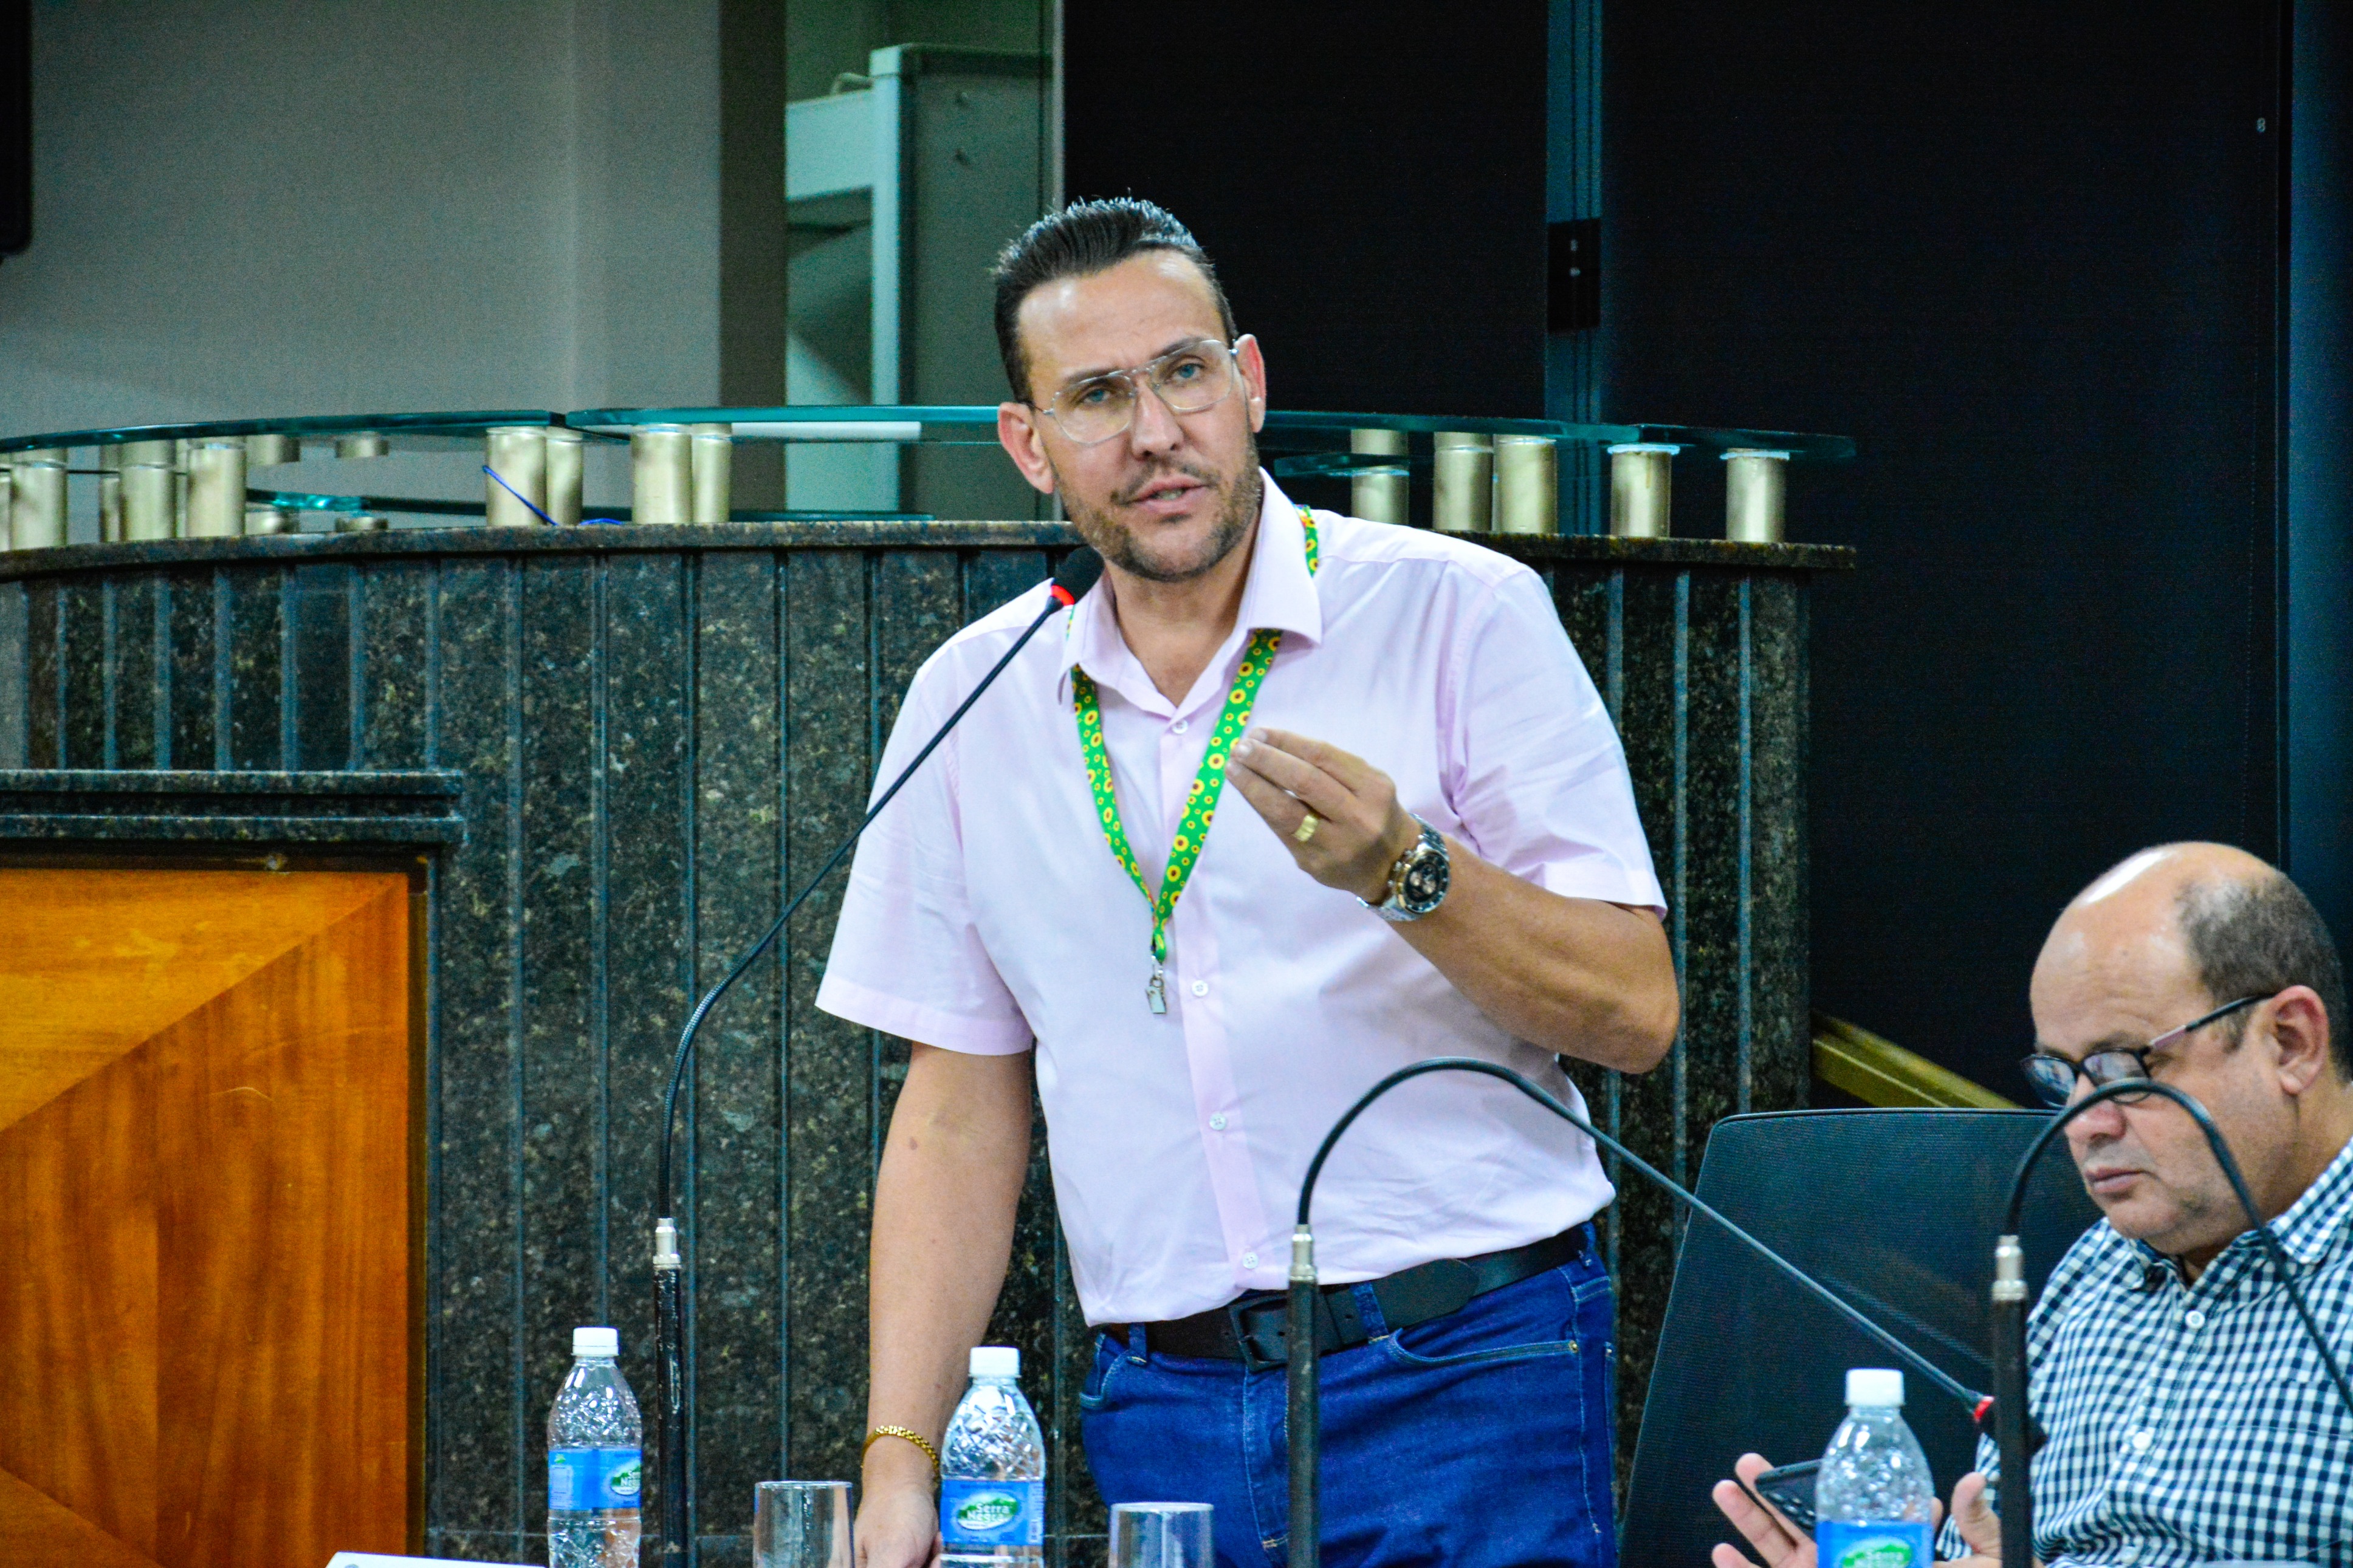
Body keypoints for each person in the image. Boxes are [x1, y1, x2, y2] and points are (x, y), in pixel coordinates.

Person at [818, 197, 1680, 1568]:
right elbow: (956, 1109)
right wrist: (898, 1462)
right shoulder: (973, 696)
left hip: (1463, 1368)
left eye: (1185, 373)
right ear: (1029, 446)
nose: (1156, 432)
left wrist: (1408, 873)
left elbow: (1635, 1012)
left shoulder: (1458, 612)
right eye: (1098, 396)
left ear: (1251, 383)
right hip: (1163, 1407)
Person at [1712, 842, 2353, 1568]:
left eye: (2122, 1067)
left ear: (2289, 1042)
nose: (2083, 1122)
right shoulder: (2098, 1265)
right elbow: (1993, 1542)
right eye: (2061, 1075)